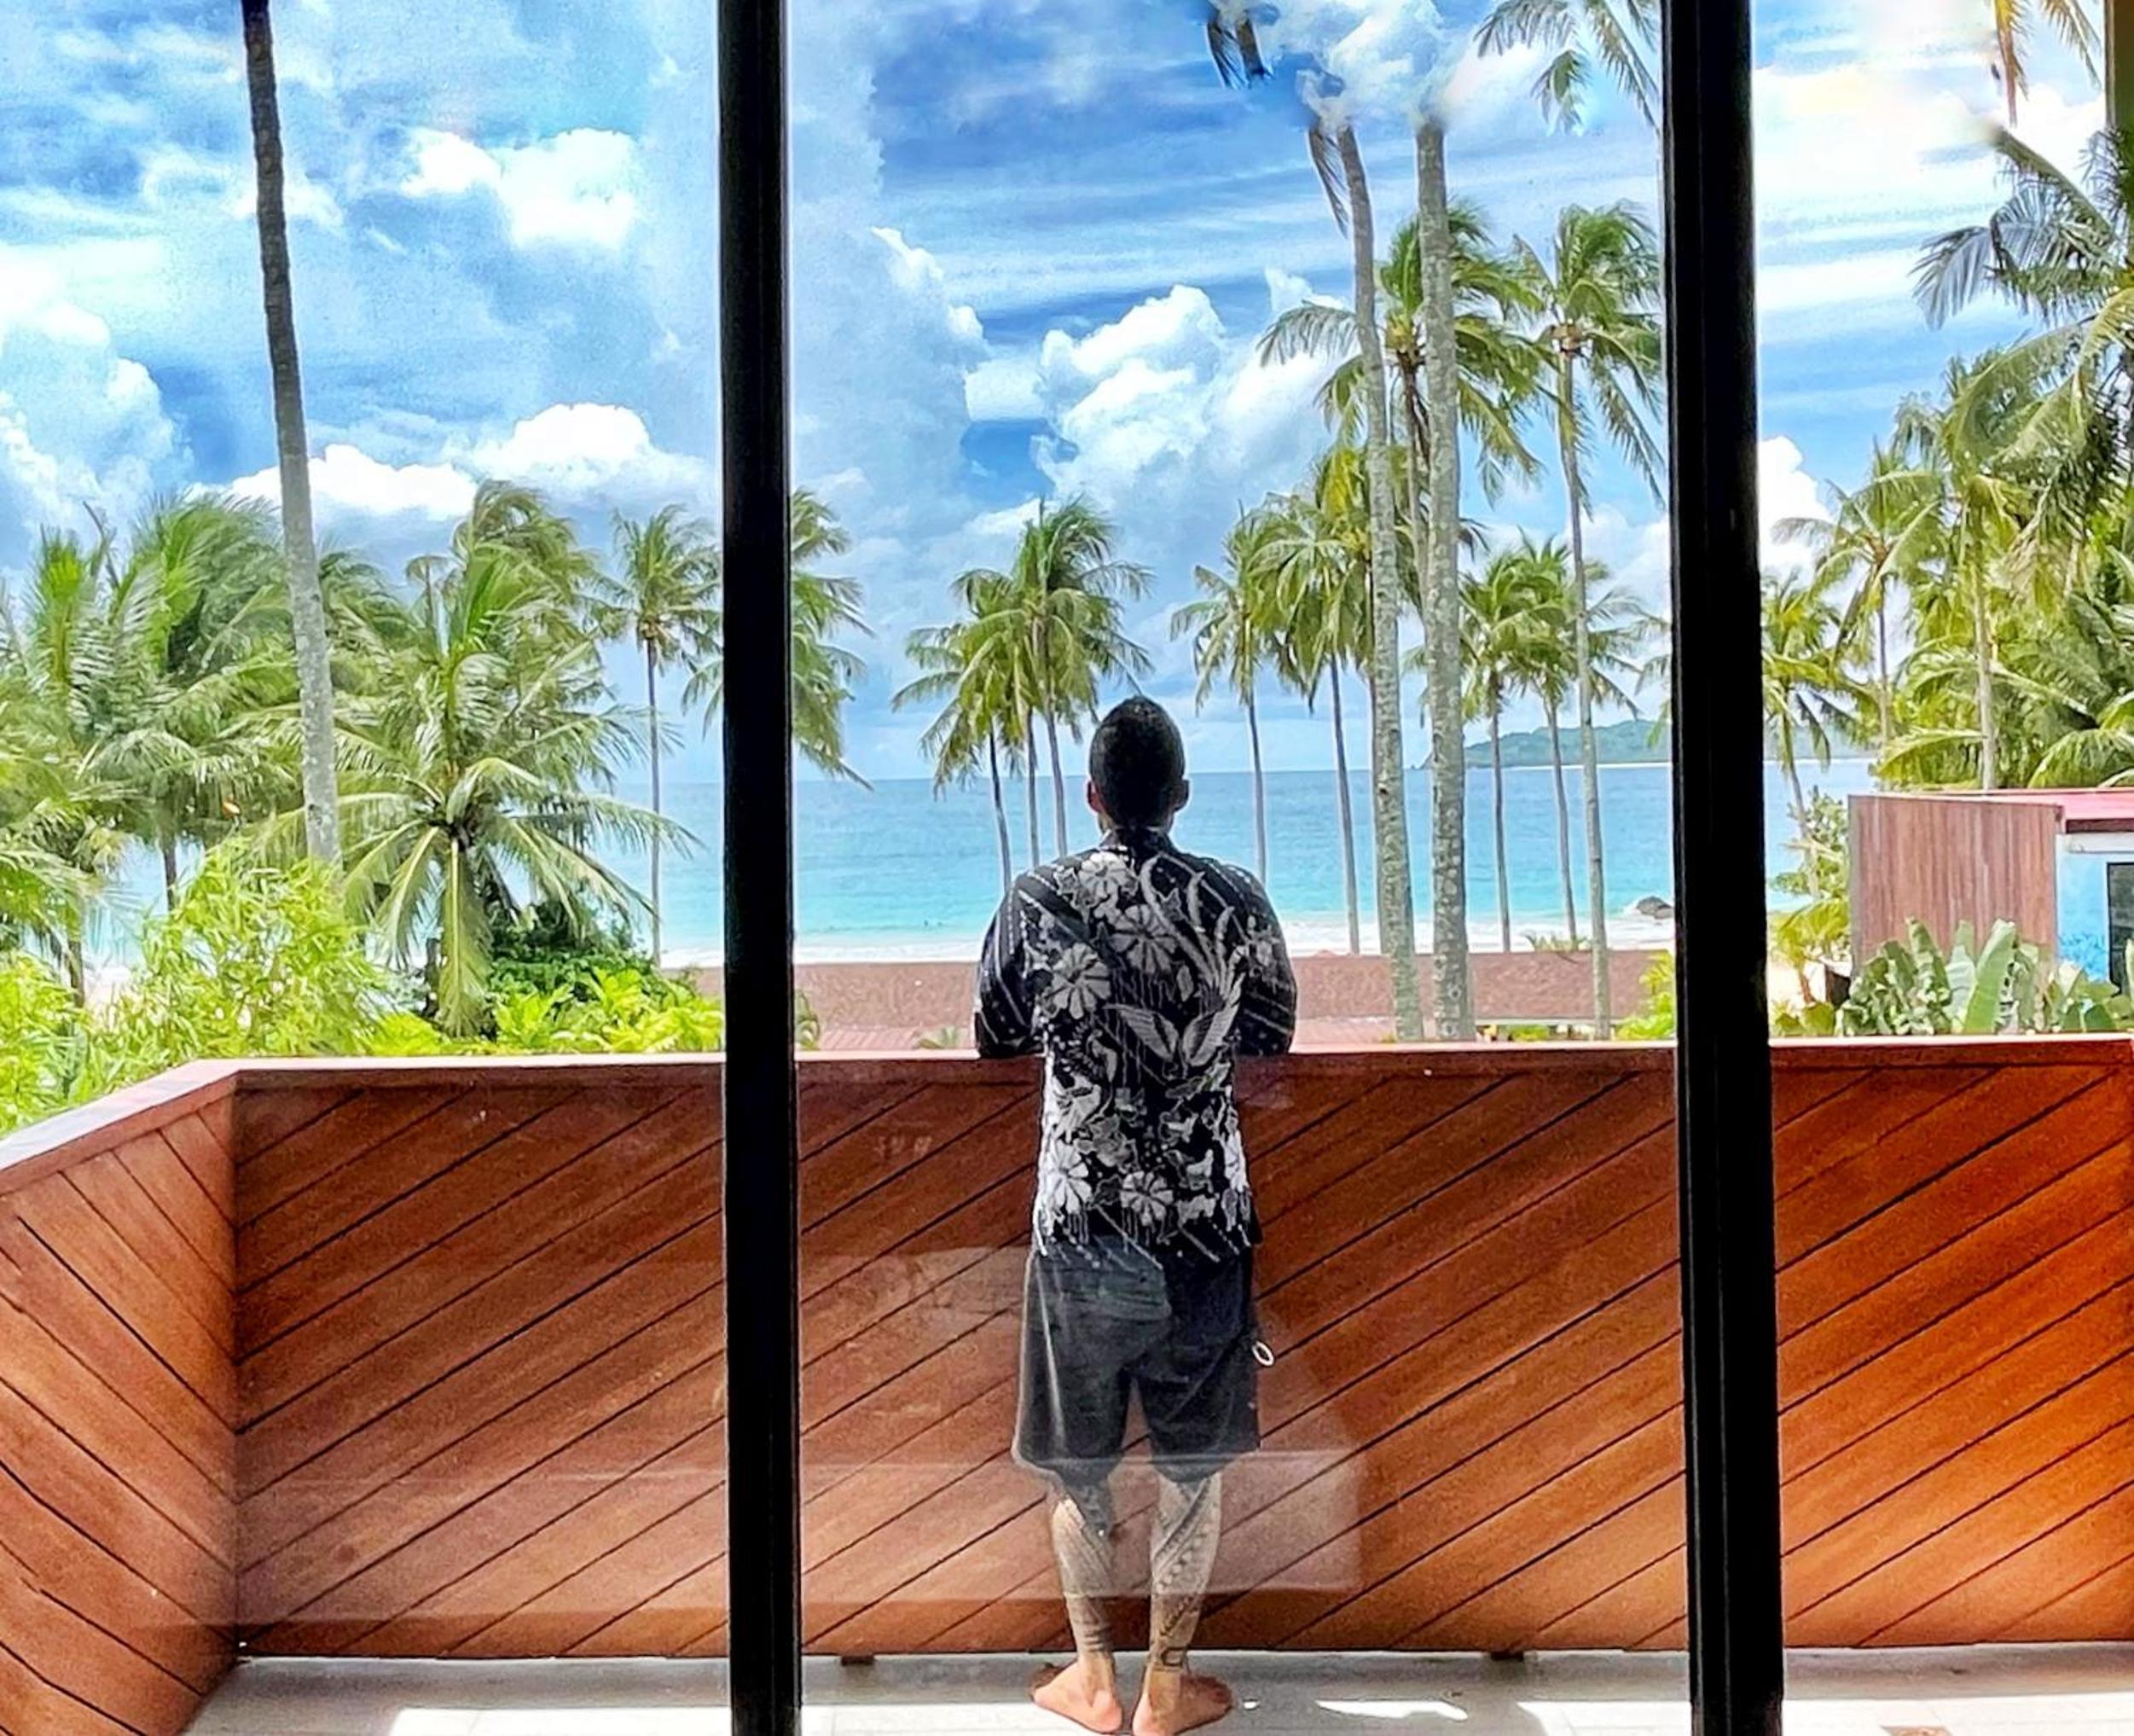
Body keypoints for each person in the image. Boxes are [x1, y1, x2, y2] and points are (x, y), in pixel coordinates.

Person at [976, 696, 1297, 1736]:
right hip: (1205, 1223)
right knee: (1192, 1463)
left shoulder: (1038, 898)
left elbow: (994, 1032)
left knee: (1077, 1460)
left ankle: (1094, 1680)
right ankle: (1166, 1686)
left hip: (1082, 1226)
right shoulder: (1237, 898)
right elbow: (1273, 1031)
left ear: (1092, 796)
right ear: (1182, 796)